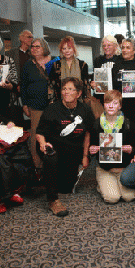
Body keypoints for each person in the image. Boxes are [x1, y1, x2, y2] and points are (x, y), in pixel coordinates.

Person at [36, 77, 95, 217]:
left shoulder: (85, 109)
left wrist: (85, 156)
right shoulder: (52, 109)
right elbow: (39, 132)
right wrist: (42, 143)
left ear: (78, 93)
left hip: (73, 151)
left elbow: (88, 133)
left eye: (70, 89)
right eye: (64, 89)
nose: (66, 92)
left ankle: (50, 177)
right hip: (53, 148)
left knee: (66, 188)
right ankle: (53, 200)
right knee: (51, 159)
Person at [89, 90, 135, 204]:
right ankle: (102, 185)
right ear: (104, 105)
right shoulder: (97, 124)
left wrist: (131, 149)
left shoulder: (128, 124)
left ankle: (113, 185)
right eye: (107, 102)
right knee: (112, 198)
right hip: (105, 170)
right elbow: (92, 146)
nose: (111, 106)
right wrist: (92, 150)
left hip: (124, 170)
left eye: (115, 103)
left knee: (129, 197)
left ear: (120, 106)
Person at [21, 38, 54, 170]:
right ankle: (38, 164)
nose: (34, 49)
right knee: (35, 134)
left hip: (53, 105)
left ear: (45, 48)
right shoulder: (28, 65)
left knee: (53, 132)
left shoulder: (55, 61)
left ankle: (53, 161)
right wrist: (24, 104)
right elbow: (23, 86)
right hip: (35, 105)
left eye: (37, 47)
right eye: (32, 47)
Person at [111, 38, 135, 127]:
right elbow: (112, 83)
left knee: (134, 131)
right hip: (119, 105)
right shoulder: (117, 64)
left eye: (128, 48)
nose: (124, 50)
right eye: (123, 48)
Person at [6, 30, 34, 128]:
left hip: (30, 92)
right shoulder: (11, 53)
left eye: (32, 37)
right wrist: (16, 85)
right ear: (21, 38)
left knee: (31, 121)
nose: (31, 39)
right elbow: (7, 72)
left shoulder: (33, 54)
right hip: (15, 93)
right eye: (29, 37)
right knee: (18, 120)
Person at [49, 36, 89, 101]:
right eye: (64, 48)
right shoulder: (56, 65)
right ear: (61, 50)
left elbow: (86, 86)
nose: (67, 51)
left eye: (69, 48)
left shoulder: (82, 65)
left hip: (79, 102)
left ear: (74, 49)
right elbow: (51, 85)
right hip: (60, 102)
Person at [90, 35, 121, 102]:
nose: (106, 47)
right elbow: (94, 76)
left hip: (116, 97)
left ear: (115, 46)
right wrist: (92, 84)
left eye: (109, 45)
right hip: (101, 97)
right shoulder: (98, 60)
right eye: (104, 46)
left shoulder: (121, 60)